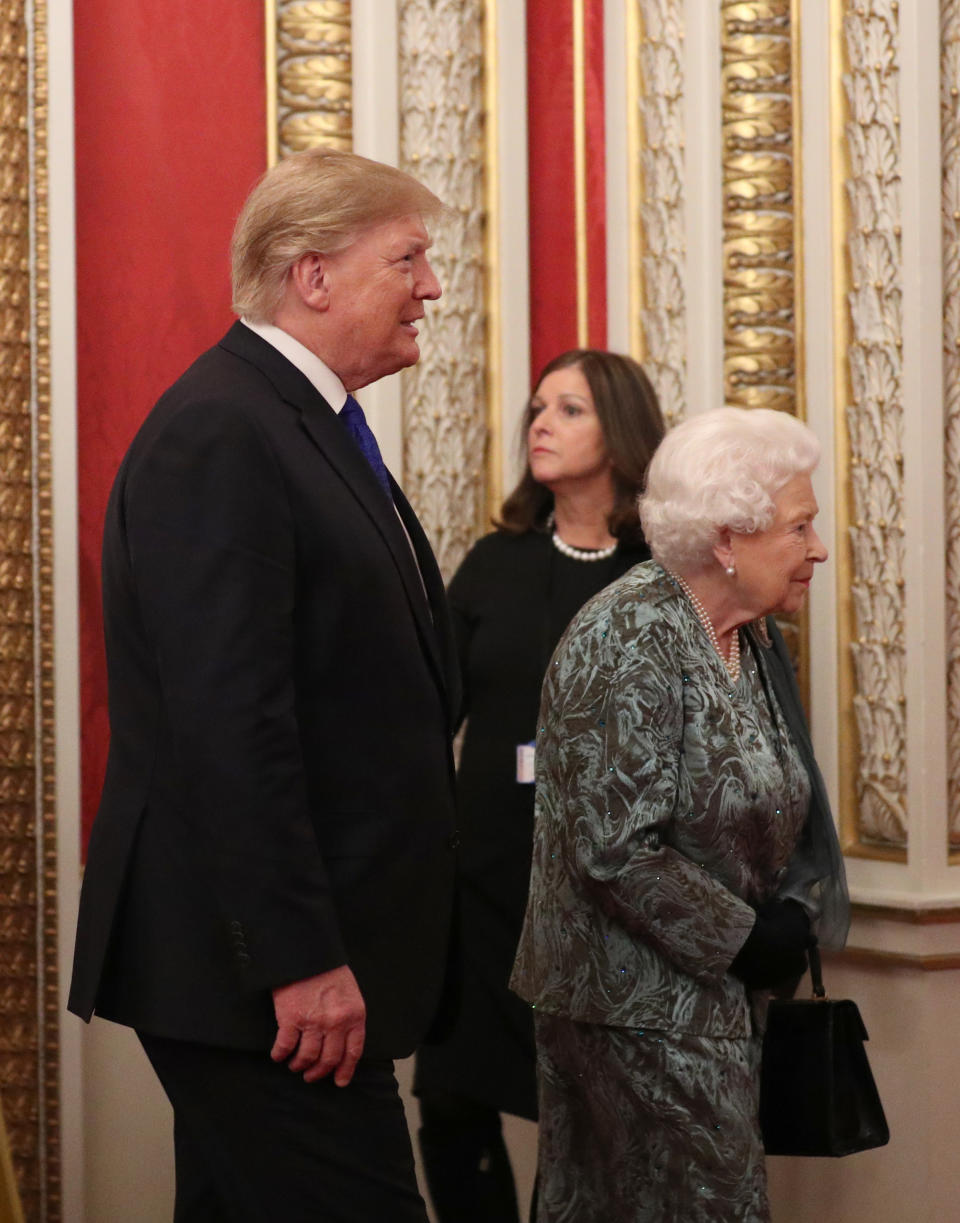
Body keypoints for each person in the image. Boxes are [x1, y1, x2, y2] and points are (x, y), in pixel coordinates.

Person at [68, 147, 462, 1222]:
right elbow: (230, 725)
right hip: (264, 979)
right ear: (314, 274)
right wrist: (299, 958)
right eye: (409, 259)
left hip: (288, 969)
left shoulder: (296, 423)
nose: (431, 286)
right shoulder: (224, 430)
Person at [511, 407, 850, 1223]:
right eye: (800, 527)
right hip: (628, 1014)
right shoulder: (627, 635)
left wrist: (785, 912)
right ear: (728, 538)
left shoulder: (753, 636)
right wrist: (745, 936)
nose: (818, 550)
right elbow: (615, 850)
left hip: (714, 1006)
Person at [414, 350, 666, 1222]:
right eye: (537, 408)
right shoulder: (495, 560)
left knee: (594, 1133)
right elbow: (426, 709)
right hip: (484, 889)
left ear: (622, 434)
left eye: (569, 409)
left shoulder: (660, 576)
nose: (541, 424)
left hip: (611, 909)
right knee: (450, 1102)